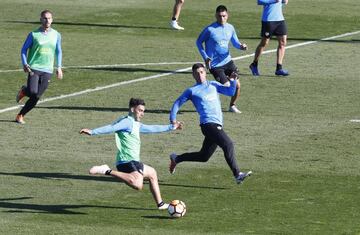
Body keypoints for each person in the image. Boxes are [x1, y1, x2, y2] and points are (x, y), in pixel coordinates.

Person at [80, 98, 183, 210]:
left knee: (152, 173)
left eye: (143, 111)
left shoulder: (135, 123)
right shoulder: (127, 122)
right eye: (140, 110)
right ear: (133, 109)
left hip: (134, 161)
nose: (142, 114)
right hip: (126, 161)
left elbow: (152, 128)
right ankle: (106, 170)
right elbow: (111, 128)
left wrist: (172, 127)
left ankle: (161, 204)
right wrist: (93, 132)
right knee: (138, 185)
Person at [168, 63, 252, 184]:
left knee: (204, 156)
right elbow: (177, 103)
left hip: (216, 124)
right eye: (197, 73)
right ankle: (237, 174)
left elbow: (230, 92)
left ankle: (177, 158)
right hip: (208, 124)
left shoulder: (213, 84)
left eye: (201, 72)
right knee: (228, 144)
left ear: (205, 73)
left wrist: (233, 80)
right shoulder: (191, 91)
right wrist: (173, 119)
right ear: (193, 75)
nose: (200, 75)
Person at [196, 5, 247, 114]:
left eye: (224, 16)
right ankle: (209, 86)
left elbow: (235, 43)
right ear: (216, 16)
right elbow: (198, 42)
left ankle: (232, 105)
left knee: (237, 86)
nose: (222, 18)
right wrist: (205, 57)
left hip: (228, 62)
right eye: (219, 16)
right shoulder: (210, 29)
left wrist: (241, 46)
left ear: (227, 15)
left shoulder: (230, 28)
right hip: (215, 66)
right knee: (228, 87)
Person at [15, 9, 63, 124]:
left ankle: (20, 115)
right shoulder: (33, 34)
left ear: (52, 20)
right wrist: (25, 63)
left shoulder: (56, 34)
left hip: (48, 70)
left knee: (36, 97)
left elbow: (59, 51)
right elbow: (23, 49)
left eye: (49, 18)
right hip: (34, 67)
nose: (47, 20)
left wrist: (59, 67)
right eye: (45, 18)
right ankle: (24, 90)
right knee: (32, 91)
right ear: (41, 19)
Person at [249, 0, 289, 76]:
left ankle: (279, 68)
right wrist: (273, 1)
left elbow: (283, 2)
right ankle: (254, 64)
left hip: (280, 19)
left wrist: (284, 1)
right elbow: (259, 1)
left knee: (283, 42)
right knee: (264, 43)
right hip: (268, 20)